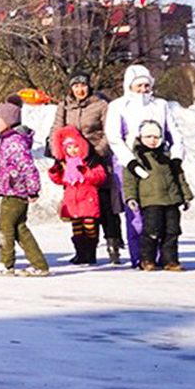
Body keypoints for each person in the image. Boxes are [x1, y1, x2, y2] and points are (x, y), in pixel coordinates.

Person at [104, 65, 183, 267]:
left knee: (163, 211)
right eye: (139, 85)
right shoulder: (118, 106)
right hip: (130, 164)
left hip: (159, 164)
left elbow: (174, 133)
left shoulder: (160, 105)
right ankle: (141, 256)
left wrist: (176, 158)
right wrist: (129, 162)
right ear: (129, 85)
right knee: (136, 212)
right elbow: (114, 137)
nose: (143, 89)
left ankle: (164, 256)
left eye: (147, 85)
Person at [49, 74, 123, 264]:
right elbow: (56, 131)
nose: (79, 90)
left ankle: (113, 246)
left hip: (96, 161)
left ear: (89, 87)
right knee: (79, 209)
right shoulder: (65, 106)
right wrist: (58, 155)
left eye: (83, 86)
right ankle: (83, 251)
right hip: (73, 163)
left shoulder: (100, 104)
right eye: (76, 86)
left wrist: (97, 152)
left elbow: (110, 131)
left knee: (105, 207)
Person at [0, 95, 49, 276]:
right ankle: (39, 264)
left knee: (5, 227)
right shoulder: (5, 141)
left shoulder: (15, 142)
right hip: (10, 190)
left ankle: (6, 264)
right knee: (20, 228)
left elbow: (28, 167)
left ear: (9, 120)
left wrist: (33, 189)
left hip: (16, 192)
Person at [123, 120, 193, 271]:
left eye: (156, 137)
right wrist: (131, 198)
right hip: (151, 201)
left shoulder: (167, 157)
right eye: (148, 137)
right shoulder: (137, 158)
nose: (152, 141)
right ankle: (147, 259)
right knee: (152, 231)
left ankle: (170, 260)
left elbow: (179, 177)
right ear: (141, 138)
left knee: (172, 231)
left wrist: (186, 196)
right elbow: (129, 180)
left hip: (172, 200)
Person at [50, 126, 110, 266]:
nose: (73, 151)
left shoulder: (89, 162)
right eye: (69, 148)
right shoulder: (65, 164)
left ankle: (90, 253)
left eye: (75, 147)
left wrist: (86, 173)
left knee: (90, 228)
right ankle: (80, 253)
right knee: (77, 229)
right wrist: (54, 172)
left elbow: (100, 177)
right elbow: (60, 180)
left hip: (88, 199)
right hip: (72, 201)